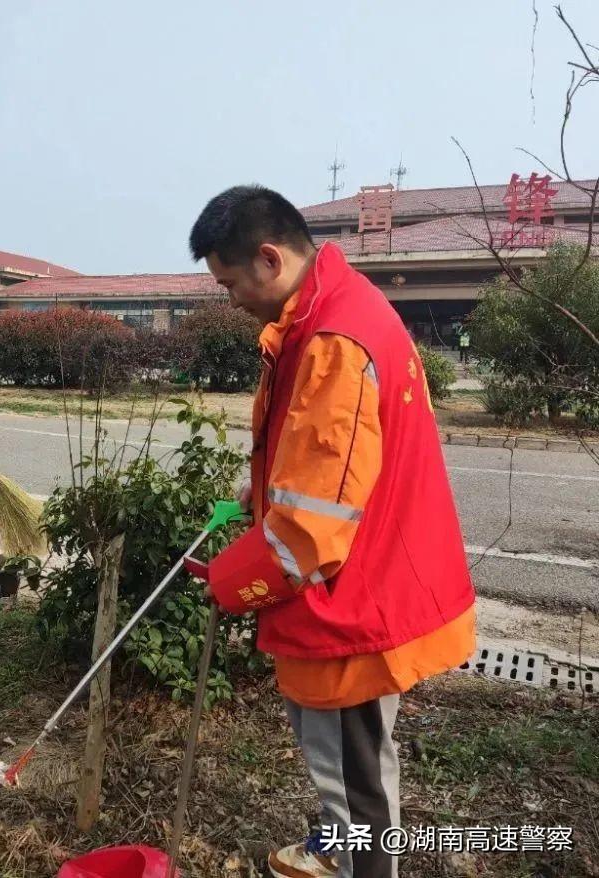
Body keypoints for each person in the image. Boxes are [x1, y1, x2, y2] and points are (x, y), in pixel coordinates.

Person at [185, 186, 476, 878]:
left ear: (268, 258)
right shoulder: (336, 309)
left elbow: (308, 536)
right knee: (349, 769)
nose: (229, 300)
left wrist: (228, 583)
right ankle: (334, 849)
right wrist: (258, 489)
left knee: (357, 783)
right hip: (373, 573)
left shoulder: (335, 343)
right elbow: (330, 454)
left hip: (355, 603)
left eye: (229, 284)